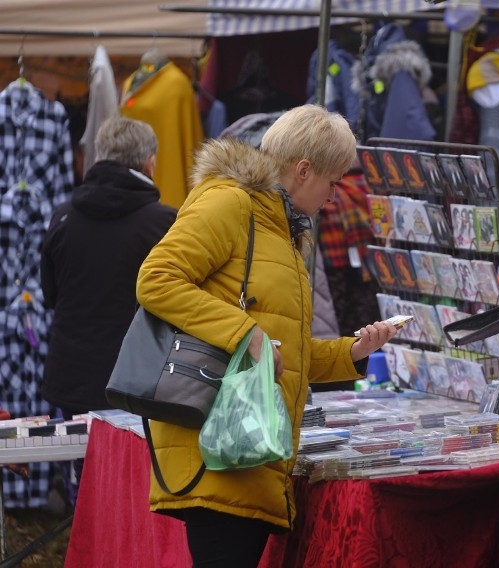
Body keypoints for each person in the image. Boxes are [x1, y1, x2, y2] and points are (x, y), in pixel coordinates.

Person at [135, 104, 398, 567]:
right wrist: (247, 334)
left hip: (246, 456)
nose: (335, 197)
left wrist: (353, 352)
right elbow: (156, 280)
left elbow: (282, 353)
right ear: (302, 170)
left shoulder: (281, 229)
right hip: (219, 451)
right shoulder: (231, 203)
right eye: (334, 182)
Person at [41, 117, 176, 423]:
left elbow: (51, 296)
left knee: (84, 466)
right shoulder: (166, 224)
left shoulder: (62, 218)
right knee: (134, 470)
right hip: (140, 379)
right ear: (149, 164)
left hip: (72, 377)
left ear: (99, 158)